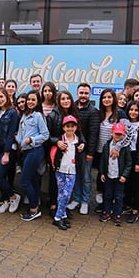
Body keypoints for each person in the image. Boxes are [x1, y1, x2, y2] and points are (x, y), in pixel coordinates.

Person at [47, 90, 81, 218]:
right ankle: (53, 206)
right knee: (54, 181)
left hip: (71, 153)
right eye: (63, 99)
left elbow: (80, 133)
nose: (66, 101)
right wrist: (57, 142)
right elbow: (47, 136)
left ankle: (62, 207)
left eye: (68, 98)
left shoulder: (75, 114)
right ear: (58, 101)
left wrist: (82, 143)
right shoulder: (52, 115)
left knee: (67, 184)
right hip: (56, 153)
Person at [16, 90, 50, 221]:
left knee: (24, 181)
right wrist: (19, 140)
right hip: (26, 151)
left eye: (33, 100)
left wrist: (31, 140)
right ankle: (35, 207)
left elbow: (45, 135)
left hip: (35, 150)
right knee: (34, 180)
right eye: (28, 99)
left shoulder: (38, 116)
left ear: (37, 102)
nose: (30, 102)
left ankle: (34, 208)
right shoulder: (25, 116)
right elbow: (20, 133)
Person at [68, 83, 99, 215]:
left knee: (86, 177)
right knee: (75, 176)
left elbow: (93, 134)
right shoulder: (72, 108)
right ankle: (76, 198)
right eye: (81, 93)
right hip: (72, 149)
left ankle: (85, 201)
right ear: (77, 93)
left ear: (89, 94)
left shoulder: (93, 111)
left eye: (86, 93)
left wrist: (90, 152)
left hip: (85, 151)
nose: (83, 95)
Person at [50, 115, 85, 230]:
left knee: (67, 194)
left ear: (76, 127)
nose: (70, 129)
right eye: (67, 126)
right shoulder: (61, 140)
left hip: (72, 171)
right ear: (64, 127)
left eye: (72, 126)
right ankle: (61, 216)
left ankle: (58, 216)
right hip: (60, 170)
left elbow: (81, 151)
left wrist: (82, 146)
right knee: (61, 194)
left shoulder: (78, 140)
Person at [94, 88, 125, 212]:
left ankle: (114, 204)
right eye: (104, 97)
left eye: (109, 97)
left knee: (113, 177)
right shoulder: (98, 113)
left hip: (114, 152)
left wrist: (117, 148)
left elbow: (127, 133)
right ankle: (103, 203)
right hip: (100, 151)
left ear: (114, 99)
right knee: (102, 176)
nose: (106, 100)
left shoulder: (120, 114)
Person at [0, 88, 21, 213]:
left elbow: (11, 134)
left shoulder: (12, 113)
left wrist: (7, 153)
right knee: (0, 176)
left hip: (8, 149)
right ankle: (6, 200)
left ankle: (14, 197)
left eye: (1, 97)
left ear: (7, 97)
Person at [99, 122, 133, 226]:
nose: (117, 136)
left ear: (124, 135)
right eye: (116, 133)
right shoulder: (106, 145)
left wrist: (124, 175)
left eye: (120, 134)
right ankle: (107, 212)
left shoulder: (125, 148)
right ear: (111, 133)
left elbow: (128, 163)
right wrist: (102, 173)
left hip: (119, 177)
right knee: (108, 195)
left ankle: (118, 215)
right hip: (109, 175)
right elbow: (103, 160)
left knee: (118, 197)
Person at [120, 101, 139, 223]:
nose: (133, 112)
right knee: (126, 182)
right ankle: (127, 205)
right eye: (131, 109)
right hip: (125, 155)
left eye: (136, 110)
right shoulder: (124, 123)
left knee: (136, 185)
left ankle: (135, 210)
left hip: (136, 155)